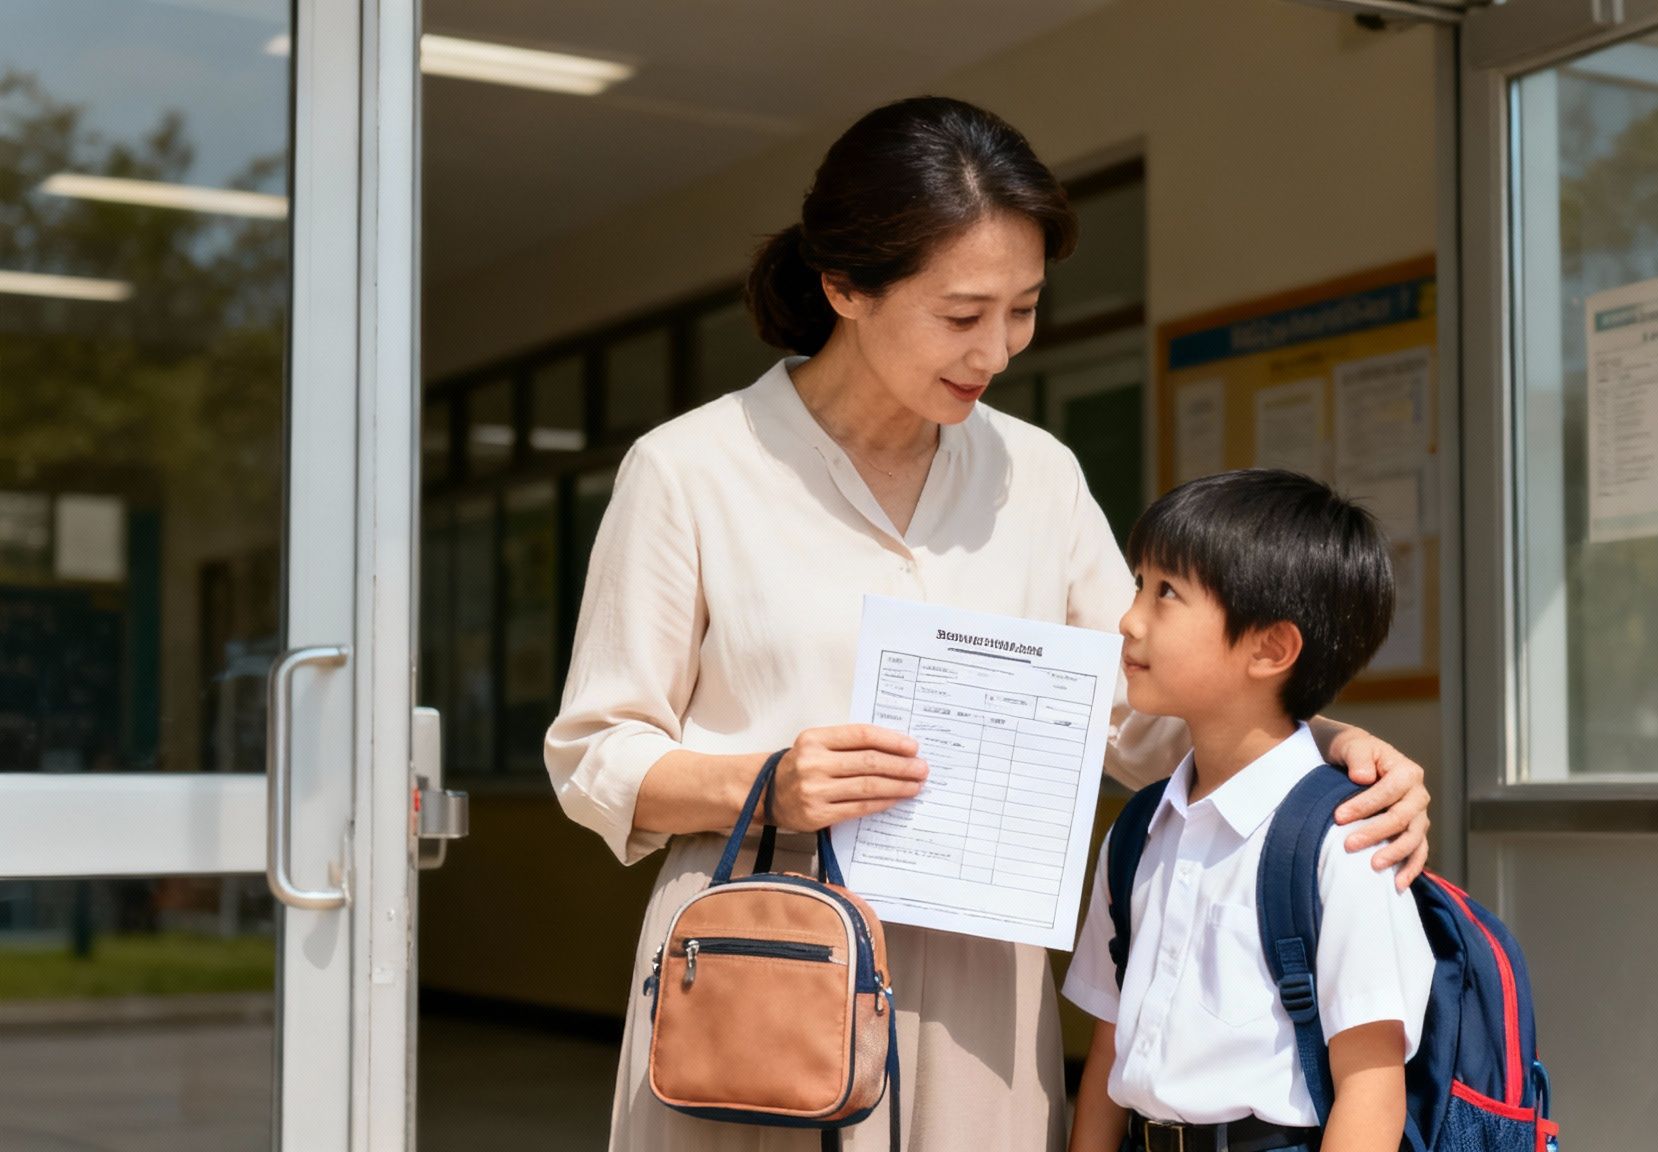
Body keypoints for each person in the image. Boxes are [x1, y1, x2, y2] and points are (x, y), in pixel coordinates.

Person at [543, 95, 1434, 1152]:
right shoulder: (690, 471)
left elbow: (1143, 710)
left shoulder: (1037, 476)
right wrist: (766, 782)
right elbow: (595, 755)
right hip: (766, 957)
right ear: (845, 288)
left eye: (1023, 310)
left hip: (975, 984)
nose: (998, 351)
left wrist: (1326, 752)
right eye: (962, 316)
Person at [1063, 470, 1434, 1152]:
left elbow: (1371, 1088)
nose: (1128, 618)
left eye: (1165, 592)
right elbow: (1109, 1049)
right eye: (1138, 584)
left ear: (1270, 648)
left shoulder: (1343, 844)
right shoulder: (1137, 832)